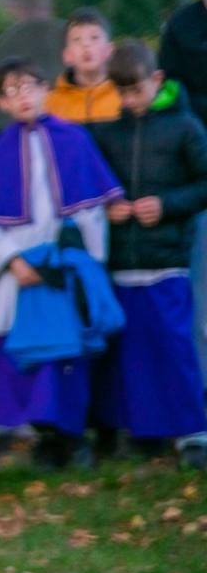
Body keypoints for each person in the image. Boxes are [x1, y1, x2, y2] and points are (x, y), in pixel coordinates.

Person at [0, 58, 120, 469]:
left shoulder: (74, 141)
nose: (23, 96)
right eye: (12, 90)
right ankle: (36, 437)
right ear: (1, 102)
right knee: (22, 353)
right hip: (15, 274)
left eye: (29, 85)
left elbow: (90, 213)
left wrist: (84, 265)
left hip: (61, 270)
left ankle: (71, 437)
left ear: (46, 88)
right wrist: (11, 261)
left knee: (64, 351)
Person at [87, 42, 207, 463]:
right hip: (121, 261)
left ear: (156, 80)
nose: (129, 101)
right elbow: (93, 185)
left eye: (136, 90)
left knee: (172, 347)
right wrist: (108, 205)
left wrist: (167, 205)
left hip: (168, 259)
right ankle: (140, 431)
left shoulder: (185, 128)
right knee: (129, 351)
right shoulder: (107, 133)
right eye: (121, 93)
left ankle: (192, 433)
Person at [161, 0, 207, 397]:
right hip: (200, 172)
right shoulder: (182, 27)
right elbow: (169, 94)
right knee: (201, 289)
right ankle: (200, 391)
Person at [45, 8, 120, 124]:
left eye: (94, 38)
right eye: (77, 40)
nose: (86, 45)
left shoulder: (123, 96)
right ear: (67, 55)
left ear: (110, 50)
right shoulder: (51, 104)